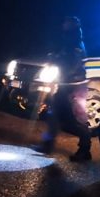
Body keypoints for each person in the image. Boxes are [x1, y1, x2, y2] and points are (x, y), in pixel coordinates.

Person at [34, 15, 92, 162]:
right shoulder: (69, 40)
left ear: (72, 26)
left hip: (74, 86)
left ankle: (85, 150)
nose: (63, 25)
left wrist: (57, 60)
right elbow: (64, 58)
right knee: (54, 115)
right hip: (65, 84)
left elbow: (71, 64)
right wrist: (55, 57)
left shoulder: (76, 43)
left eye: (66, 23)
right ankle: (47, 144)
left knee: (75, 120)